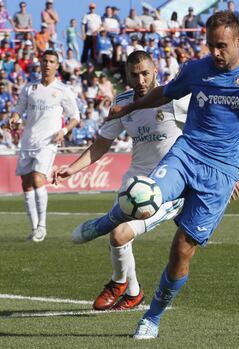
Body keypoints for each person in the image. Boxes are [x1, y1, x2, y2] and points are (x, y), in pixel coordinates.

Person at [105, 10, 239, 339]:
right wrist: (127, 108)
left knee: (182, 249)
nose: (216, 53)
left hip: (219, 176)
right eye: (211, 46)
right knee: (148, 193)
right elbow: (164, 92)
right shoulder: (196, 70)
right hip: (186, 155)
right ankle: (116, 235)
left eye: (221, 46)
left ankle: (152, 316)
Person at [52, 50, 190, 310]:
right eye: (134, 74)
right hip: (133, 183)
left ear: (155, 72)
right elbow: (102, 144)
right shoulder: (123, 102)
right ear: (126, 75)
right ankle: (133, 292)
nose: (140, 80)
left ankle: (118, 282)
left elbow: (207, 128)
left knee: (118, 234)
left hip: (169, 186)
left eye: (145, 73)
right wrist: (72, 169)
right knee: (120, 238)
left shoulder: (174, 97)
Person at [9, 50, 80, 242]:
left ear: (57, 66)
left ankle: (42, 226)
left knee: (38, 179)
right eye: (45, 61)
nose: (47, 64)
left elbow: (75, 117)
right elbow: (18, 110)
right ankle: (34, 228)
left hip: (48, 142)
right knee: (26, 184)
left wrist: (64, 131)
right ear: (40, 64)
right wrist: (14, 119)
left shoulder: (63, 90)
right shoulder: (29, 88)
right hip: (28, 140)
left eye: (51, 62)